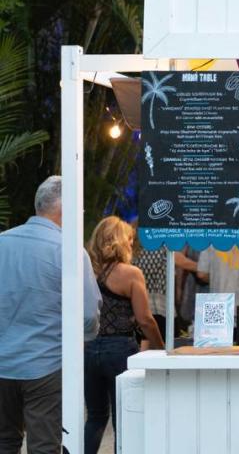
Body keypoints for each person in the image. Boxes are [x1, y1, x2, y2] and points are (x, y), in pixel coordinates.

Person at [0, 176, 101, 454]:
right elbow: (88, 315)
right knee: (44, 446)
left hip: (2, 365)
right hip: (45, 366)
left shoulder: (2, 242)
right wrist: (81, 341)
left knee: (4, 442)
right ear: (65, 211)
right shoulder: (69, 251)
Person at [84, 216, 164, 454]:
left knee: (96, 417)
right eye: (129, 240)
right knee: (124, 419)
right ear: (118, 241)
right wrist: (161, 347)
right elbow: (145, 319)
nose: (131, 245)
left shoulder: (85, 272)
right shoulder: (130, 274)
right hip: (120, 351)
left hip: (89, 349)